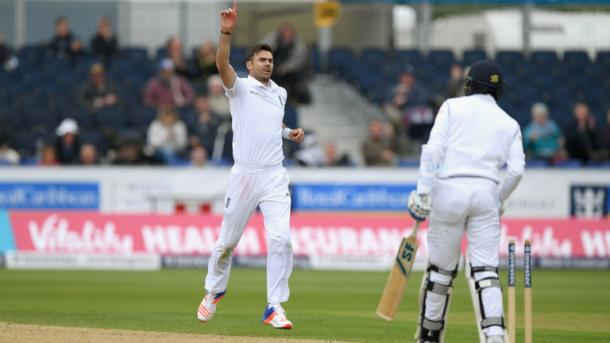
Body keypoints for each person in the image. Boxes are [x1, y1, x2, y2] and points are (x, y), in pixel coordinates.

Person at [196, 1, 305, 330]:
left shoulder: (281, 93)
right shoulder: (239, 87)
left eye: (271, 60)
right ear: (250, 64)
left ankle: (274, 306)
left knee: (282, 240)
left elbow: (272, 122)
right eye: (262, 59)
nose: (268, 64)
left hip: (274, 176)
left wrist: (288, 132)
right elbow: (220, 62)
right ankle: (213, 291)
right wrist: (226, 32)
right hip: (244, 175)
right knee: (227, 243)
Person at [407, 60, 525, 343]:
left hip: (449, 191)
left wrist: (423, 190)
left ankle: (430, 335)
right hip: (485, 193)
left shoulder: (451, 107)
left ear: (469, 84)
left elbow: (433, 150)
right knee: (486, 272)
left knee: (440, 272)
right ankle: (495, 336)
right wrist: (498, 198)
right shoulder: (509, 122)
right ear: (498, 91)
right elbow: (517, 170)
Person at [262, 23, 309, 104]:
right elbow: (261, 51)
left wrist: (284, 69)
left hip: (290, 73)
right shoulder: (272, 39)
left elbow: (297, 61)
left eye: (289, 33)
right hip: (272, 68)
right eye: (284, 33)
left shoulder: (298, 45)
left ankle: (289, 100)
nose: (286, 35)